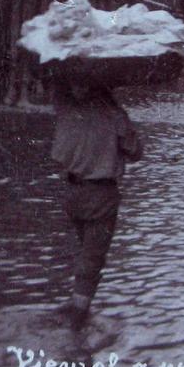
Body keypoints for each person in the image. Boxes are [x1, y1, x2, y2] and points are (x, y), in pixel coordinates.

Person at [51, 75, 143, 329]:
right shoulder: (115, 115)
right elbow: (136, 152)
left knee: (84, 250)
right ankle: (78, 317)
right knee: (93, 255)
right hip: (101, 194)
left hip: (71, 192)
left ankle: (77, 301)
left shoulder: (67, 109)